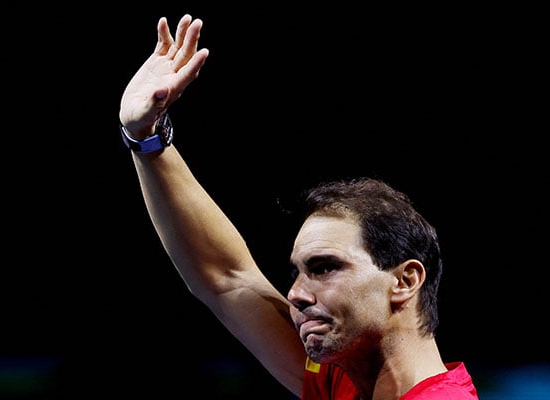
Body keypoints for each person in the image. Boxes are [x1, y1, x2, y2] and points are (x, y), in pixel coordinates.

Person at [118, 13, 480, 400]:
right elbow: (225, 276)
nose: (296, 294)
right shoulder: (344, 378)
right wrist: (146, 139)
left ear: (405, 281)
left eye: (325, 267)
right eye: (298, 272)